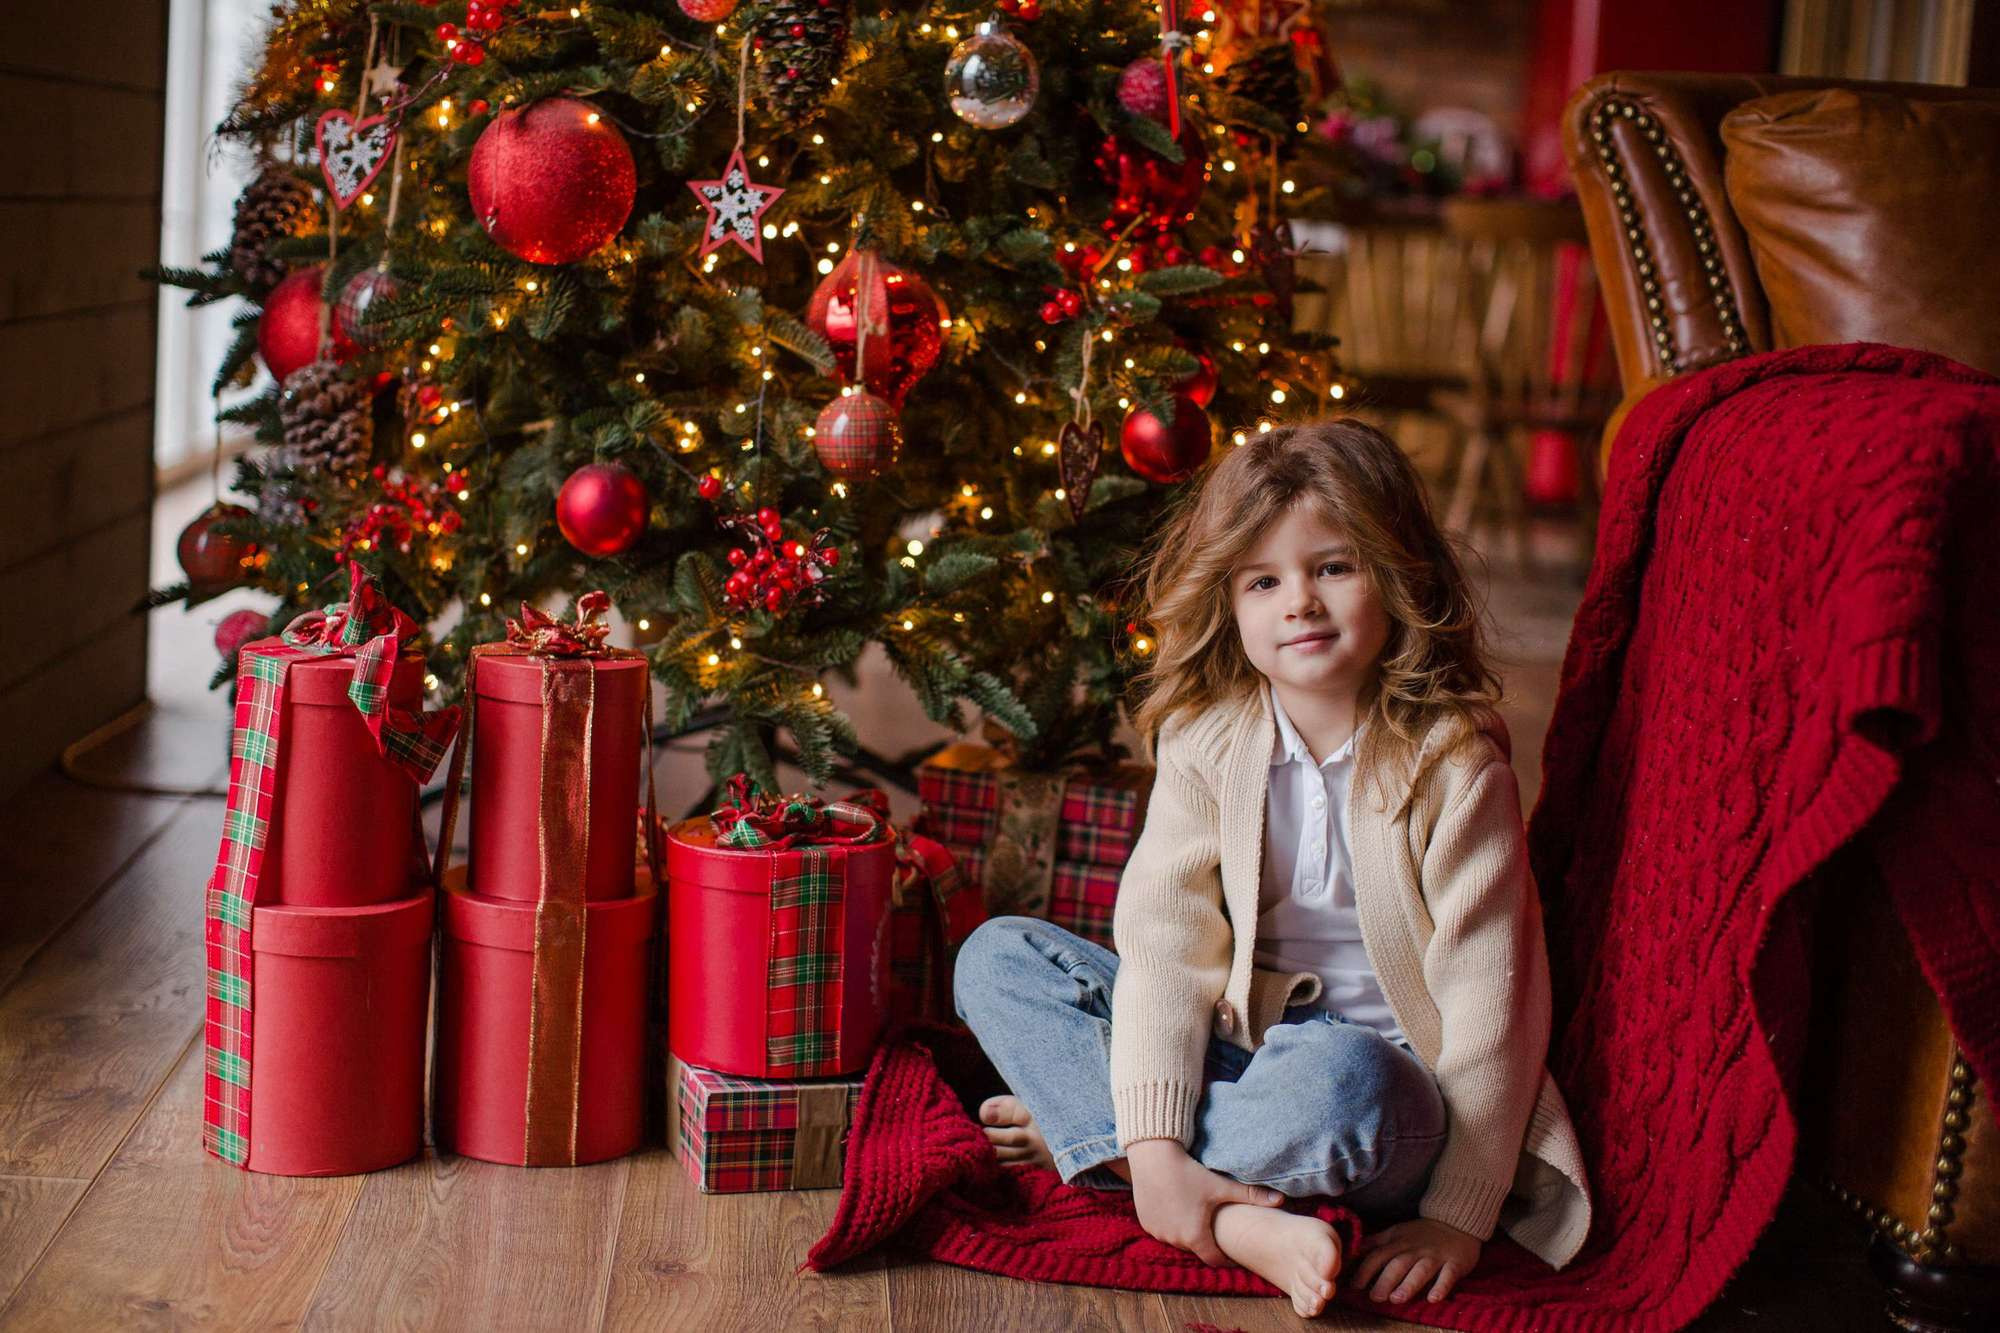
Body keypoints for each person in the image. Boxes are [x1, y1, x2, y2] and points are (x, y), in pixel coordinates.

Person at [953, 419, 1591, 1317]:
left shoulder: (1454, 767)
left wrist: (1457, 1216)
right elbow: (1167, 952)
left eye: (1333, 567)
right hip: (1240, 1053)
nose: (1300, 602)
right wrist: (1158, 1140)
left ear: (1399, 575)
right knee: (996, 956)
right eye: (1264, 580)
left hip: (1384, 1094)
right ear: (1229, 602)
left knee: (1340, 1072)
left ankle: (1100, 1137)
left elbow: (1496, 1010)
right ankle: (1203, 1197)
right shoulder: (1206, 741)